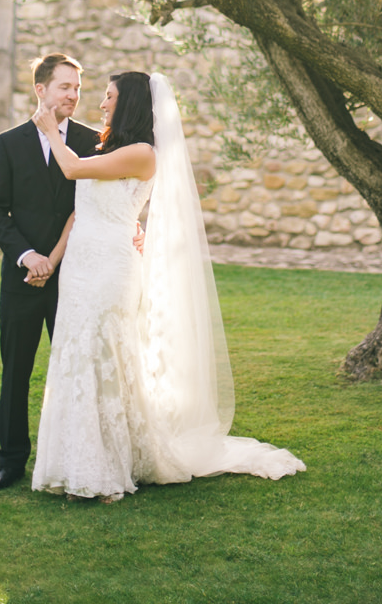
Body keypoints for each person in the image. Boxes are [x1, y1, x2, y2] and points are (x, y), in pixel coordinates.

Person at [31, 70, 306, 502]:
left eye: (109, 97)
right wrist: (56, 258)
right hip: (82, 267)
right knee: (75, 357)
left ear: (132, 104)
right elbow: (86, 208)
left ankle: (107, 469)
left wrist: (50, 131)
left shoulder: (143, 152)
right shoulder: (112, 148)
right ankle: (74, 462)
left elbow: (71, 170)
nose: (101, 104)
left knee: (105, 359)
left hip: (110, 270)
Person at [0, 52, 99, 492]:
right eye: (65, 87)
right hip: (22, 279)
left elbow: (94, 208)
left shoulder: (92, 141)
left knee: (75, 370)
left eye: (77, 88)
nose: (74, 95)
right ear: (41, 90)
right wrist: (29, 256)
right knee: (16, 372)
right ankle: (10, 461)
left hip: (76, 278)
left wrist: (57, 258)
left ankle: (74, 456)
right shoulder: (8, 143)